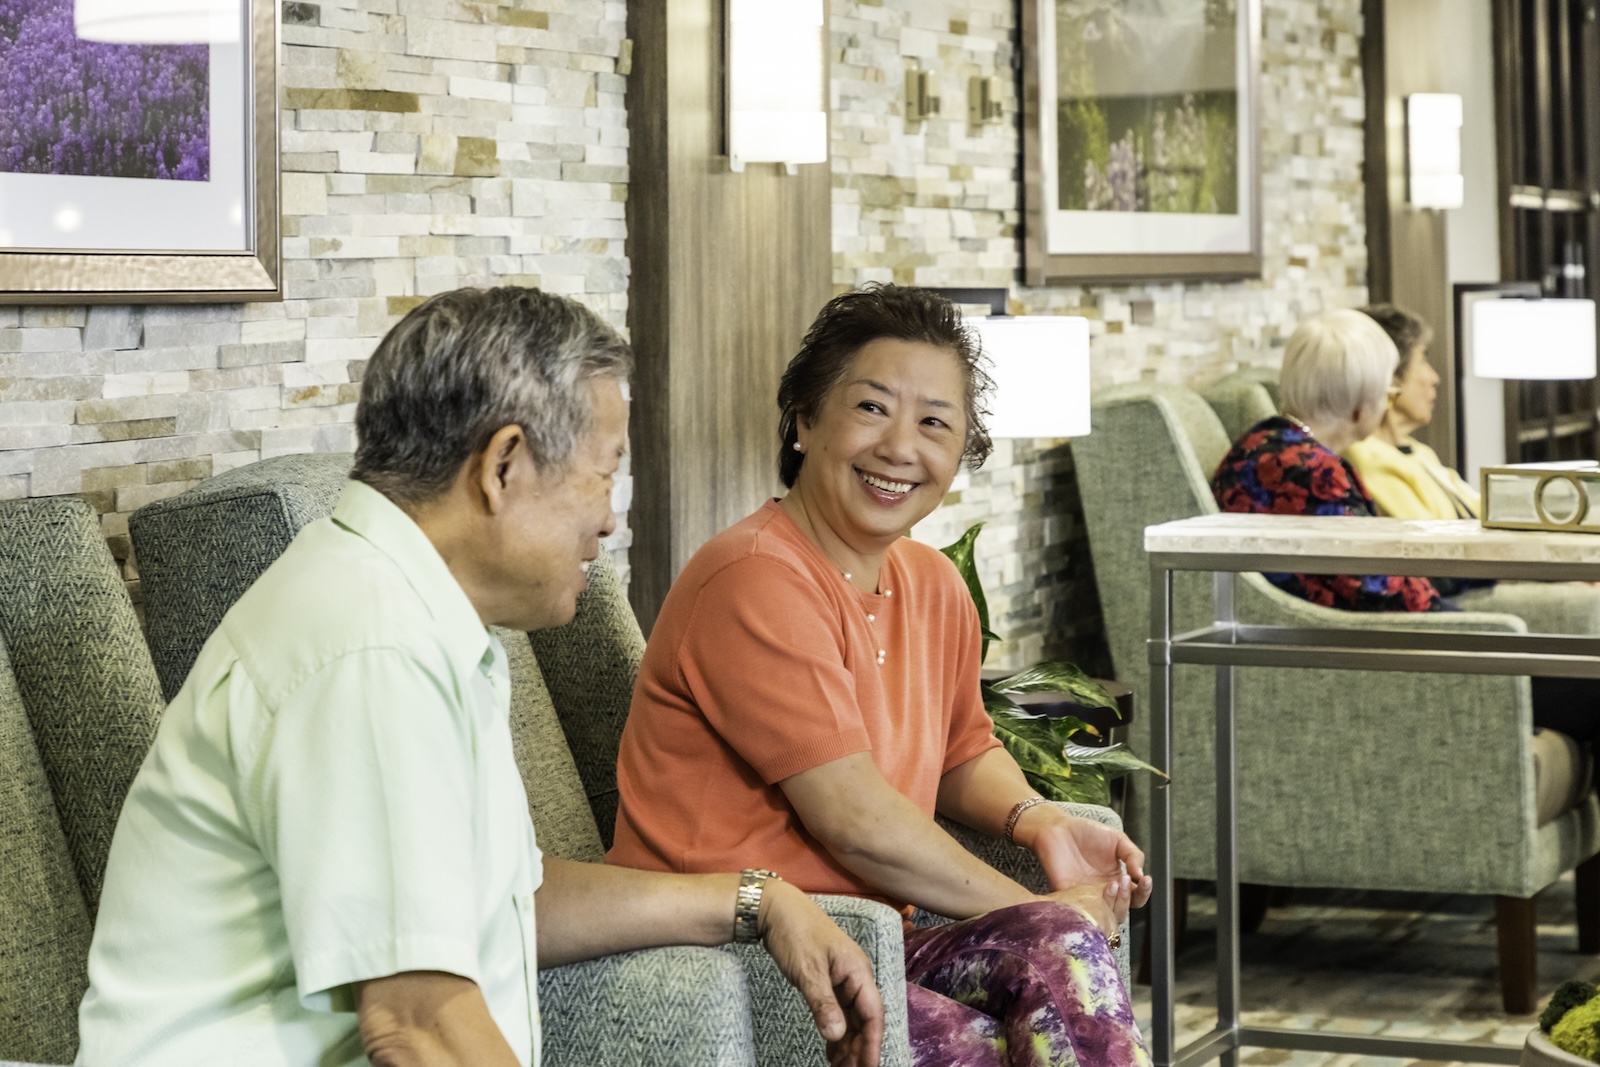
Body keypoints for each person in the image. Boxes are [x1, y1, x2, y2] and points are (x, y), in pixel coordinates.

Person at [75, 287, 883, 1067]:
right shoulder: (370, 646)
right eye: (605, 473)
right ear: (502, 465)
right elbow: (416, 1022)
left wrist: (758, 900)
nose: (609, 515)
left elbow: (500, 905)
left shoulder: (415, 614)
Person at [607, 284, 1153, 1067]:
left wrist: (1037, 819)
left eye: (935, 422)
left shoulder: (931, 583)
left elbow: (963, 749)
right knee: (1006, 1009)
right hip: (735, 955)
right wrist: (1036, 903)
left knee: (1052, 960)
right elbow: (856, 819)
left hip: (872, 941)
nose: (902, 447)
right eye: (872, 408)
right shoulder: (754, 578)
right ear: (804, 420)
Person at [1212, 308, 1593, 816]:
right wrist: (1476, 628)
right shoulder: (1308, 469)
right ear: (1361, 404)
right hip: (1397, 665)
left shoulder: (1270, 444)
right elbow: (1379, 589)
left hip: (1387, 650)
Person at [1211, 308, 1443, 612]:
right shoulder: (1312, 473)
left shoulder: (1262, 441)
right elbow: (1374, 585)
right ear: (1361, 407)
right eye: (1387, 394)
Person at [1343, 304, 1480, 519]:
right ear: (1389, 376)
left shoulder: (1418, 451)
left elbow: (1483, 508)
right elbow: (1428, 545)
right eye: (1423, 360)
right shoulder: (1368, 458)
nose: (1435, 378)